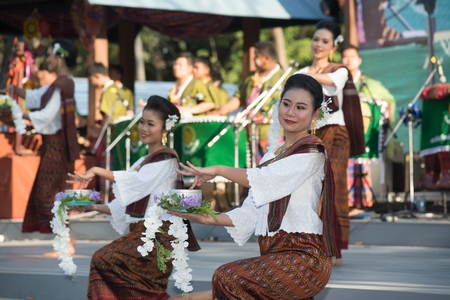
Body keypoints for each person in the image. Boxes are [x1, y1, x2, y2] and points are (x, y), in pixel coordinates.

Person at [168, 74, 338, 300]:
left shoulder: (312, 152)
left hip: (305, 258)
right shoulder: (272, 155)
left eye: (301, 107)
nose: (290, 112)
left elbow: (265, 179)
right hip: (275, 255)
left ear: (315, 114)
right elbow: (251, 211)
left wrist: (219, 169)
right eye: (286, 104)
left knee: (227, 278)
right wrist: (207, 217)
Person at [66, 95, 200, 300]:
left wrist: (96, 169)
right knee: (107, 267)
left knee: (104, 259)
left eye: (151, 124)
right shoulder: (143, 160)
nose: (144, 128)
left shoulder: (167, 160)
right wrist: (93, 207)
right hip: (142, 234)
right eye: (142, 122)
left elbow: (135, 182)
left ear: (165, 129)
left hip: (157, 237)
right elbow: (125, 205)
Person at [295, 20, 365, 266]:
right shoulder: (303, 70)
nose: (319, 45)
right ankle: (309, 245)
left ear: (333, 46)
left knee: (333, 188)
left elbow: (333, 84)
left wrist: (300, 76)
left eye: (325, 41)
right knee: (307, 190)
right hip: (309, 135)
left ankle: (333, 248)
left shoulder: (339, 70)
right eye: (316, 39)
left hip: (335, 133)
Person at [0, 39, 80, 256]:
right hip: (55, 147)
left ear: (60, 56)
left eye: (52, 55)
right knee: (54, 194)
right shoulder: (63, 83)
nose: (49, 59)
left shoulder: (61, 84)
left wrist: (17, 112)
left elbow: (46, 115)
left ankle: (66, 244)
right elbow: (37, 97)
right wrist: (17, 90)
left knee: (49, 195)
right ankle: (67, 240)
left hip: (56, 147)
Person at [341, 44, 396, 209]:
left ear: (359, 60)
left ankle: (364, 203)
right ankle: (346, 204)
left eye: (352, 57)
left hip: (364, 133)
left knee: (363, 164)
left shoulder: (369, 84)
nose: (349, 60)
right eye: (345, 57)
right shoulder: (338, 82)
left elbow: (388, 101)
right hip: (344, 133)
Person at [217, 41, 285, 158]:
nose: (254, 60)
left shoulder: (283, 77)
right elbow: (239, 98)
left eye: (256, 57)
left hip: (271, 132)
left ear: (266, 58)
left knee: (271, 164)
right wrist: (222, 110)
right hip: (249, 130)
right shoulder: (251, 76)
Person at [169, 52, 215, 116]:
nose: (176, 67)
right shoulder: (174, 87)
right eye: (175, 64)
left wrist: (186, 110)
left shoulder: (197, 83)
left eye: (180, 65)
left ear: (190, 68)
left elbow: (210, 104)